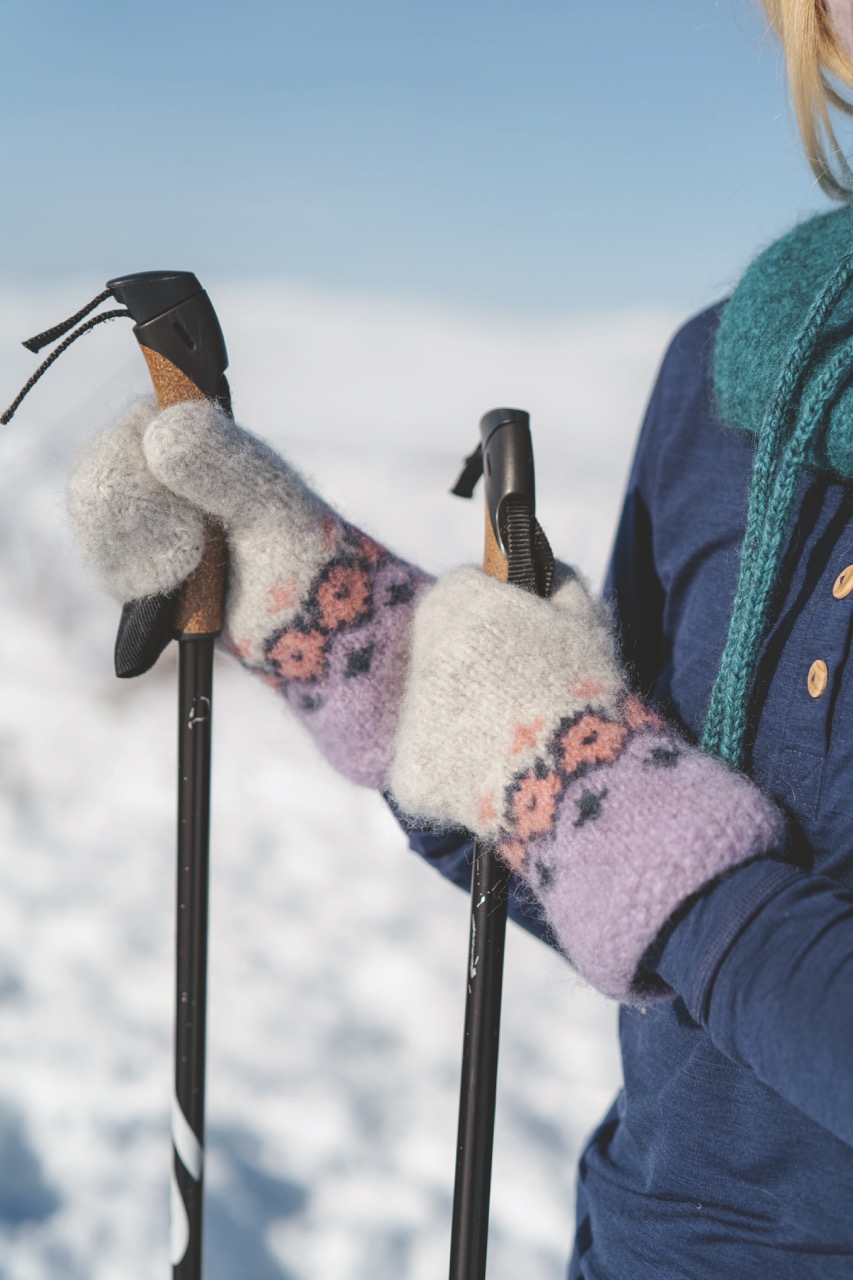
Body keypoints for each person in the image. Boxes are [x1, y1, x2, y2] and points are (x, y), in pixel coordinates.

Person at [66, 1, 853, 1274]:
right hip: (639, 1240)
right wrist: (342, 625)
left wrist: (641, 831)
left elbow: (652, 846)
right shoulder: (733, 371)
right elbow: (612, 855)